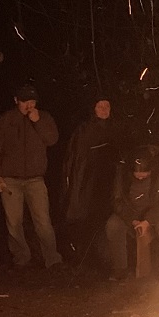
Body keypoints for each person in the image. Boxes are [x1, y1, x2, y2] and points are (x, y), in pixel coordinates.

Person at [0, 83, 62, 270]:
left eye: (32, 101)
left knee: (43, 222)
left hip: (35, 179)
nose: (28, 105)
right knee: (14, 222)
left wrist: (37, 121)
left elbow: (52, 139)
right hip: (10, 179)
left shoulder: (43, 118)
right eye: (24, 102)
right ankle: (21, 258)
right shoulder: (4, 121)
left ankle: (52, 259)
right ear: (16, 101)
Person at [62, 96, 122, 263]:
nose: (104, 110)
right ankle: (86, 259)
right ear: (93, 109)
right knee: (88, 219)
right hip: (89, 184)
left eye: (107, 106)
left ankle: (108, 260)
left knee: (108, 220)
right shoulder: (84, 130)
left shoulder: (116, 128)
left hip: (111, 183)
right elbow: (76, 160)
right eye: (100, 106)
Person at [105, 147, 159, 280]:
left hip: (155, 213)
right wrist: (132, 220)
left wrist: (148, 220)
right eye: (137, 173)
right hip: (131, 214)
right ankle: (120, 268)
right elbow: (117, 201)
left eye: (144, 173)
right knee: (113, 225)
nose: (140, 176)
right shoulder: (122, 174)